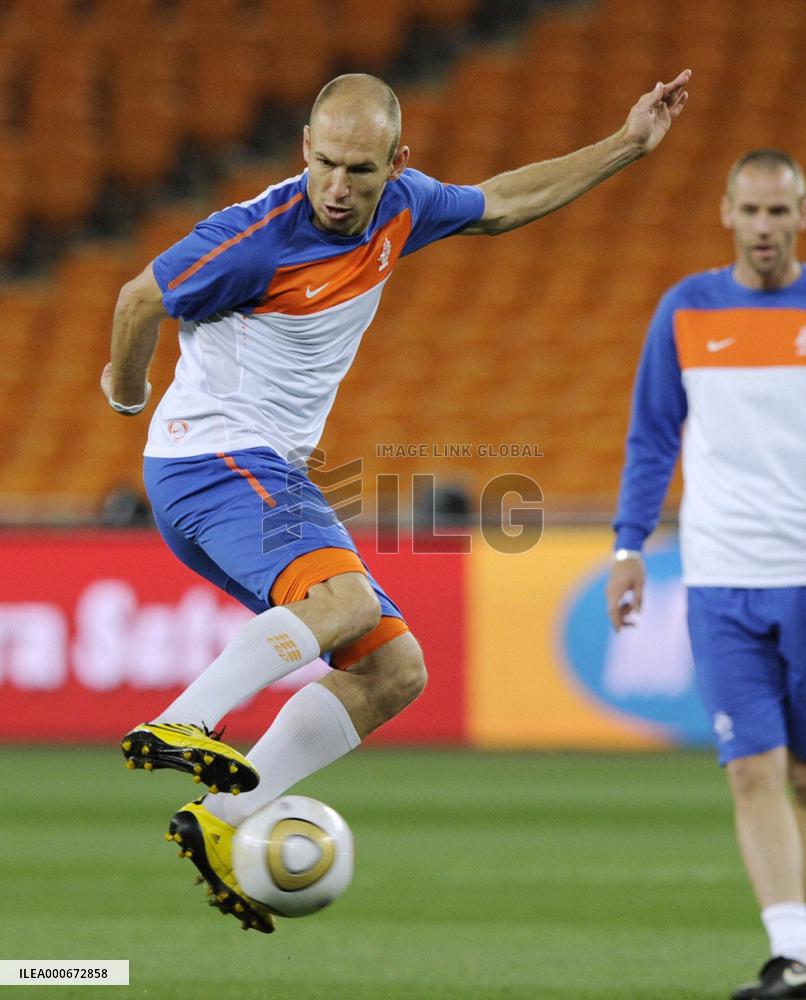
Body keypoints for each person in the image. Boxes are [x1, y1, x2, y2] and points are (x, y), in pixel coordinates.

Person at [102, 70, 691, 934]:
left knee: (394, 671)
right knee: (342, 602)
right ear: (305, 148)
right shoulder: (253, 238)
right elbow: (138, 299)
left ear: (397, 164)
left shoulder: (405, 208)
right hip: (212, 459)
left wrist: (628, 144)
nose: (339, 188)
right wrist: (126, 394)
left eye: (361, 171)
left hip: (264, 471)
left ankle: (222, 820)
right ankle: (180, 721)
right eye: (326, 164)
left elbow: (503, 201)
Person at [606, 149, 806, 999]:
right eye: (751, 210)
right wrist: (628, 546)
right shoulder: (686, 309)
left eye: (780, 211)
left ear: (801, 216)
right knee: (752, 769)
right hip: (720, 581)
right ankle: (794, 957)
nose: (764, 226)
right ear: (726, 212)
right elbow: (653, 435)